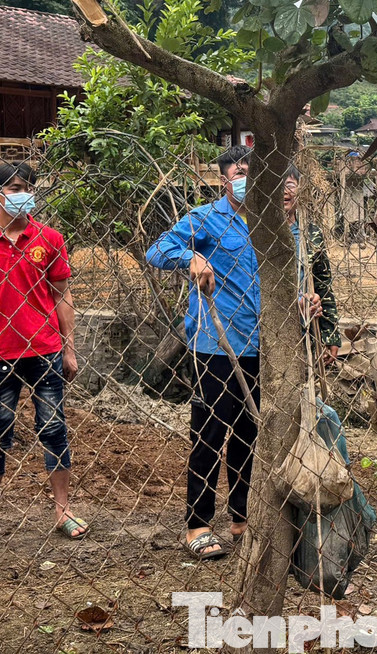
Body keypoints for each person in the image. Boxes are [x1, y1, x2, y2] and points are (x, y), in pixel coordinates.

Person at [0, 162, 84, 556]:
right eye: (14, 187)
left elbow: (62, 296)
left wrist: (70, 347)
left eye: (26, 187)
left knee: (54, 429)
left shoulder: (49, 238)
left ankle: (62, 511)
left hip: (44, 349)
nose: (22, 193)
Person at [147, 146, 267, 561]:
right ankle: (197, 524)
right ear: (224, 179)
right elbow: (157, 250)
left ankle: (241, 518)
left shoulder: (271, 222)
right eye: (240, 172)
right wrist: (192, 257)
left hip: (262, 344)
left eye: (252, 171)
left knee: (250, 435)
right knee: (210, 433)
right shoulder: (205, 218)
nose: (246, 178)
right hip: (215, 343)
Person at [284, 166, 339, 361]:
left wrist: (330, 333)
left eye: (290, 185)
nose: (284, 191)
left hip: (304, 327)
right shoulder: (251, 232)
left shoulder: (311, 232)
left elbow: (323, 284)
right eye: (278, 185)